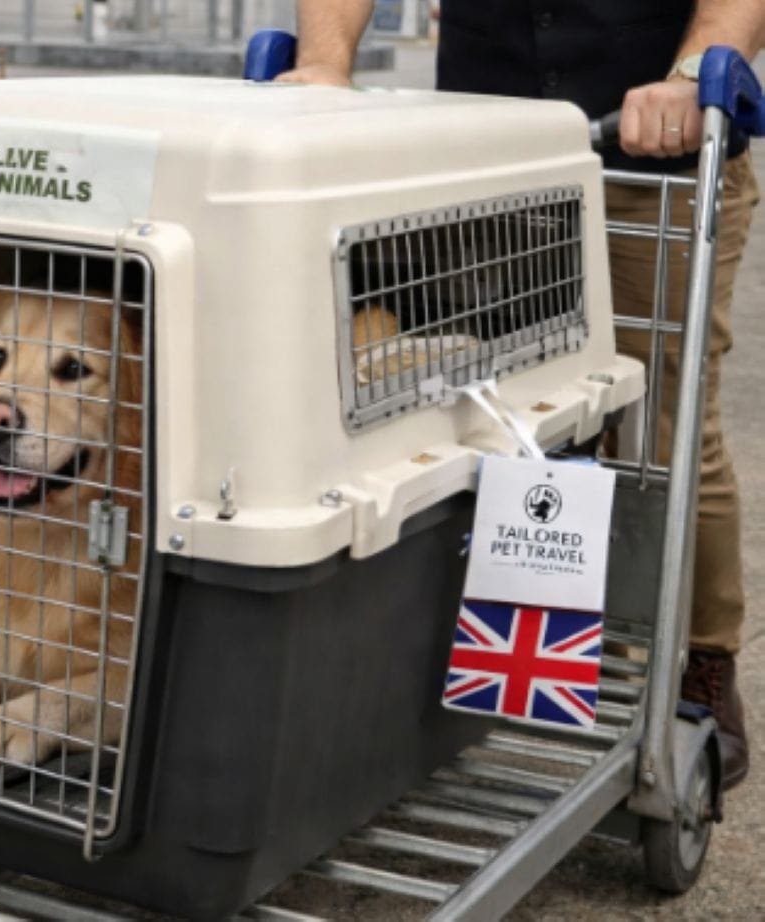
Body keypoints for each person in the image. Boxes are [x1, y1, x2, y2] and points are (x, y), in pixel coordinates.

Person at [278, 0, 765, 791]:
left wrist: (688, 74)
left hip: (653, 157)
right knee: (468, 405)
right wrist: (326, 62)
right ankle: (481, 629)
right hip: (488, 157)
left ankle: (700, 658)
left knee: (660, 421)